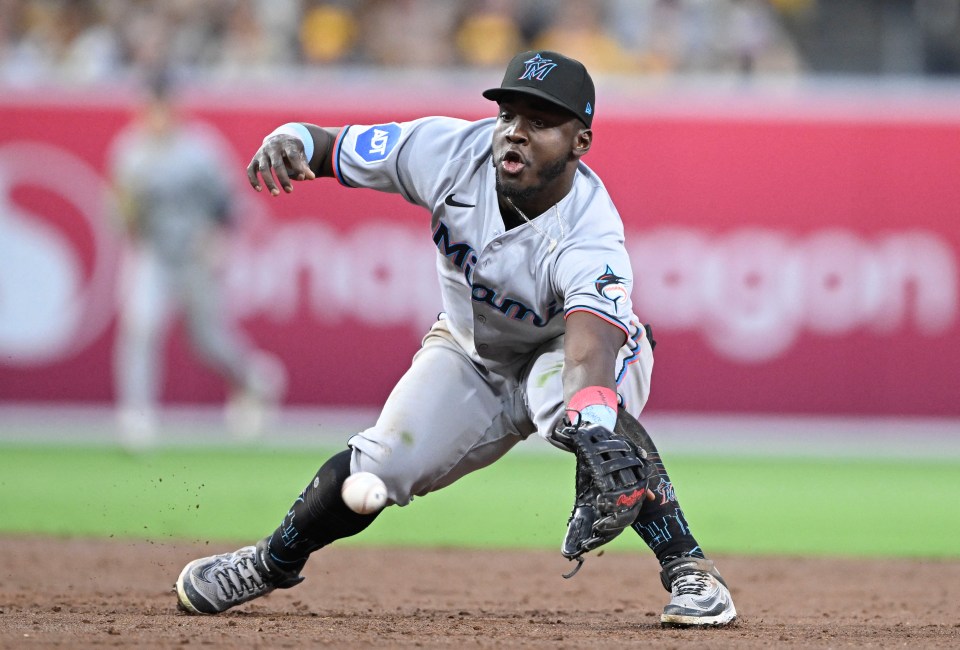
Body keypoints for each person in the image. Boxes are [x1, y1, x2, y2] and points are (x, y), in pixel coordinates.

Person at [173, 50, 737, 628]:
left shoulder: (591, 234)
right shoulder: (444, 151)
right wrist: (288, 136)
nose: (516, 132)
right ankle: (269, 563)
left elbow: (588, 352)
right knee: (379, 462)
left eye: (540, 123)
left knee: (596, 428)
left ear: (580, 142)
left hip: (560, 354)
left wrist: (590, 420)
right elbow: (327, 146)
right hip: (469, 352)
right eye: (508, 115)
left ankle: (691, 570)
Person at [108, 73, 285, 450]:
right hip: (154, 252)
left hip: (194, 253)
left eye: (161, 107)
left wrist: (217, 237)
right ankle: (136, 418)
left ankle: (255, 379)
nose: (155, 116)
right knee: (140, 326)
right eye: (149, 108)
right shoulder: (130, 151)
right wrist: (124, 215)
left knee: (207, 340)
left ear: (174, 109)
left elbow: (231, 203)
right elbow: (125, 217)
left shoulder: (200, 149)